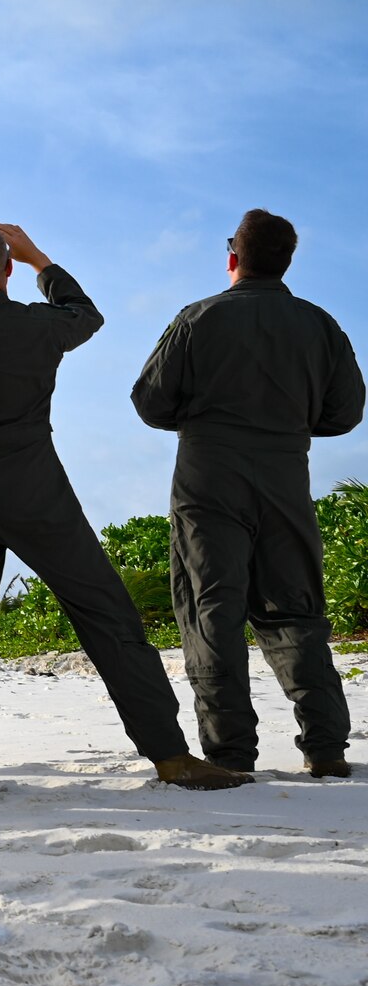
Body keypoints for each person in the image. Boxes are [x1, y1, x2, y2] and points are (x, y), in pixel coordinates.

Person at [0, 224, 248, 794]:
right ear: (9, 270)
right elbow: (86, 313)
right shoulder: (37, 324)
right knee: (105, 614)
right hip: (33, 489)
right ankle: (169, 756)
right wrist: (39, 257)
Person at [133, 209, 364, 778]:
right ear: (287, 261)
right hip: (287, 472)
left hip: (208, 475)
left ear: (232, 255)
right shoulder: (322, 325)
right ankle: (326, 746)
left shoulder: (197, 318)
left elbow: (150, 402)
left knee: (212, 607)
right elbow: (346, 413)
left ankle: (230, 750)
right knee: (297, 606)